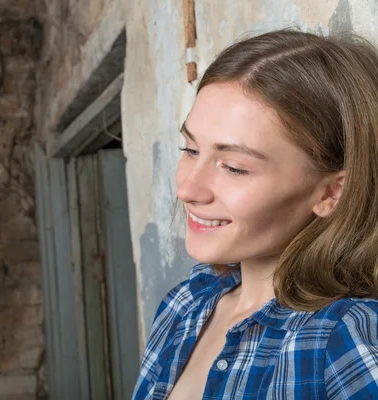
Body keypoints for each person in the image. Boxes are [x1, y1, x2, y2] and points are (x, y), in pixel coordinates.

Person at [132, 29, 378, 400]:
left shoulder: (340, 341)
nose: (187, 190)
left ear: (331, 192)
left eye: (233, 167)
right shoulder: (184, 306)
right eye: (191, 149)